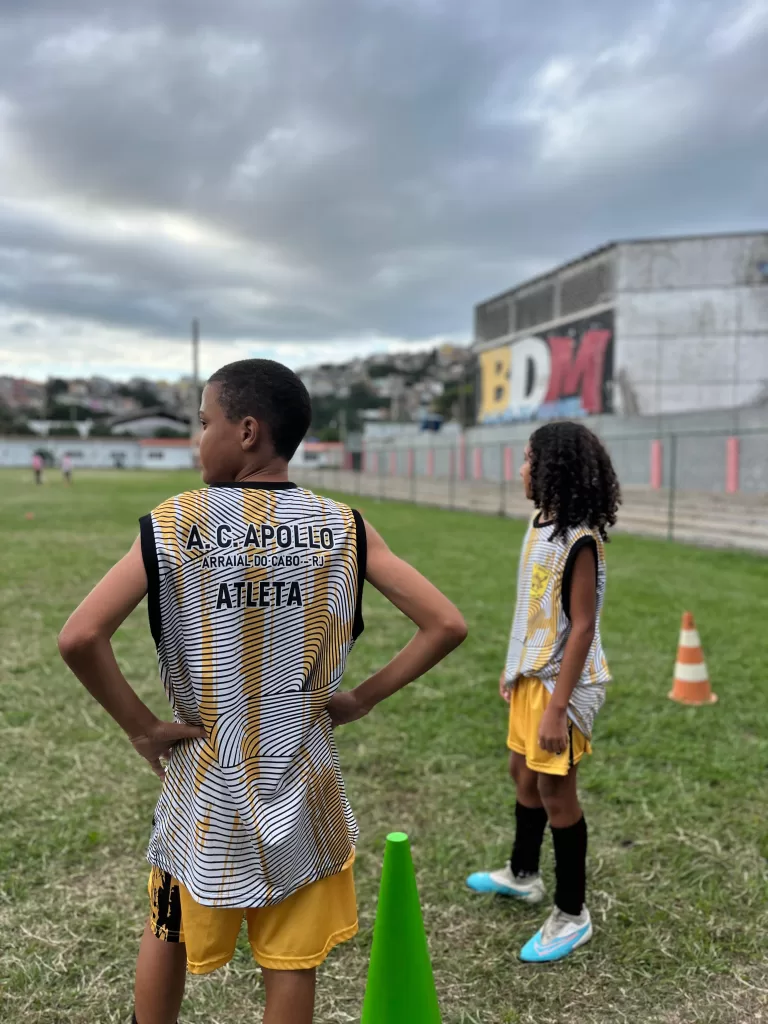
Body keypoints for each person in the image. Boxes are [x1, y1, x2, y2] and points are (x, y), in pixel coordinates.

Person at [58, 358, 467, 1024]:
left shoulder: (175, 521)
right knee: (292, 963)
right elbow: (446, 624)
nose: (199, 441)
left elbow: (80, 637)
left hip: (202, 790)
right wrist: (360, 699)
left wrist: (143, 727)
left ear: (247, 431)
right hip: (303, 788)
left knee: (167, 925)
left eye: (204, 423)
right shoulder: (346, 526)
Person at [466, 421, 620, 963]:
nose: (522, 469)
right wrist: (514, 668)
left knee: (557, 792)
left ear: (555, 468)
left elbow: (582, 626)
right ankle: (523, 874)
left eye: (529, 459)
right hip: (532, 678)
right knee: (521, 773)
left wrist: (557, 709)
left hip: (562, 687)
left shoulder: (580, 540)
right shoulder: (540, 525)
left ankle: (572, 914)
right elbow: (531, 610)